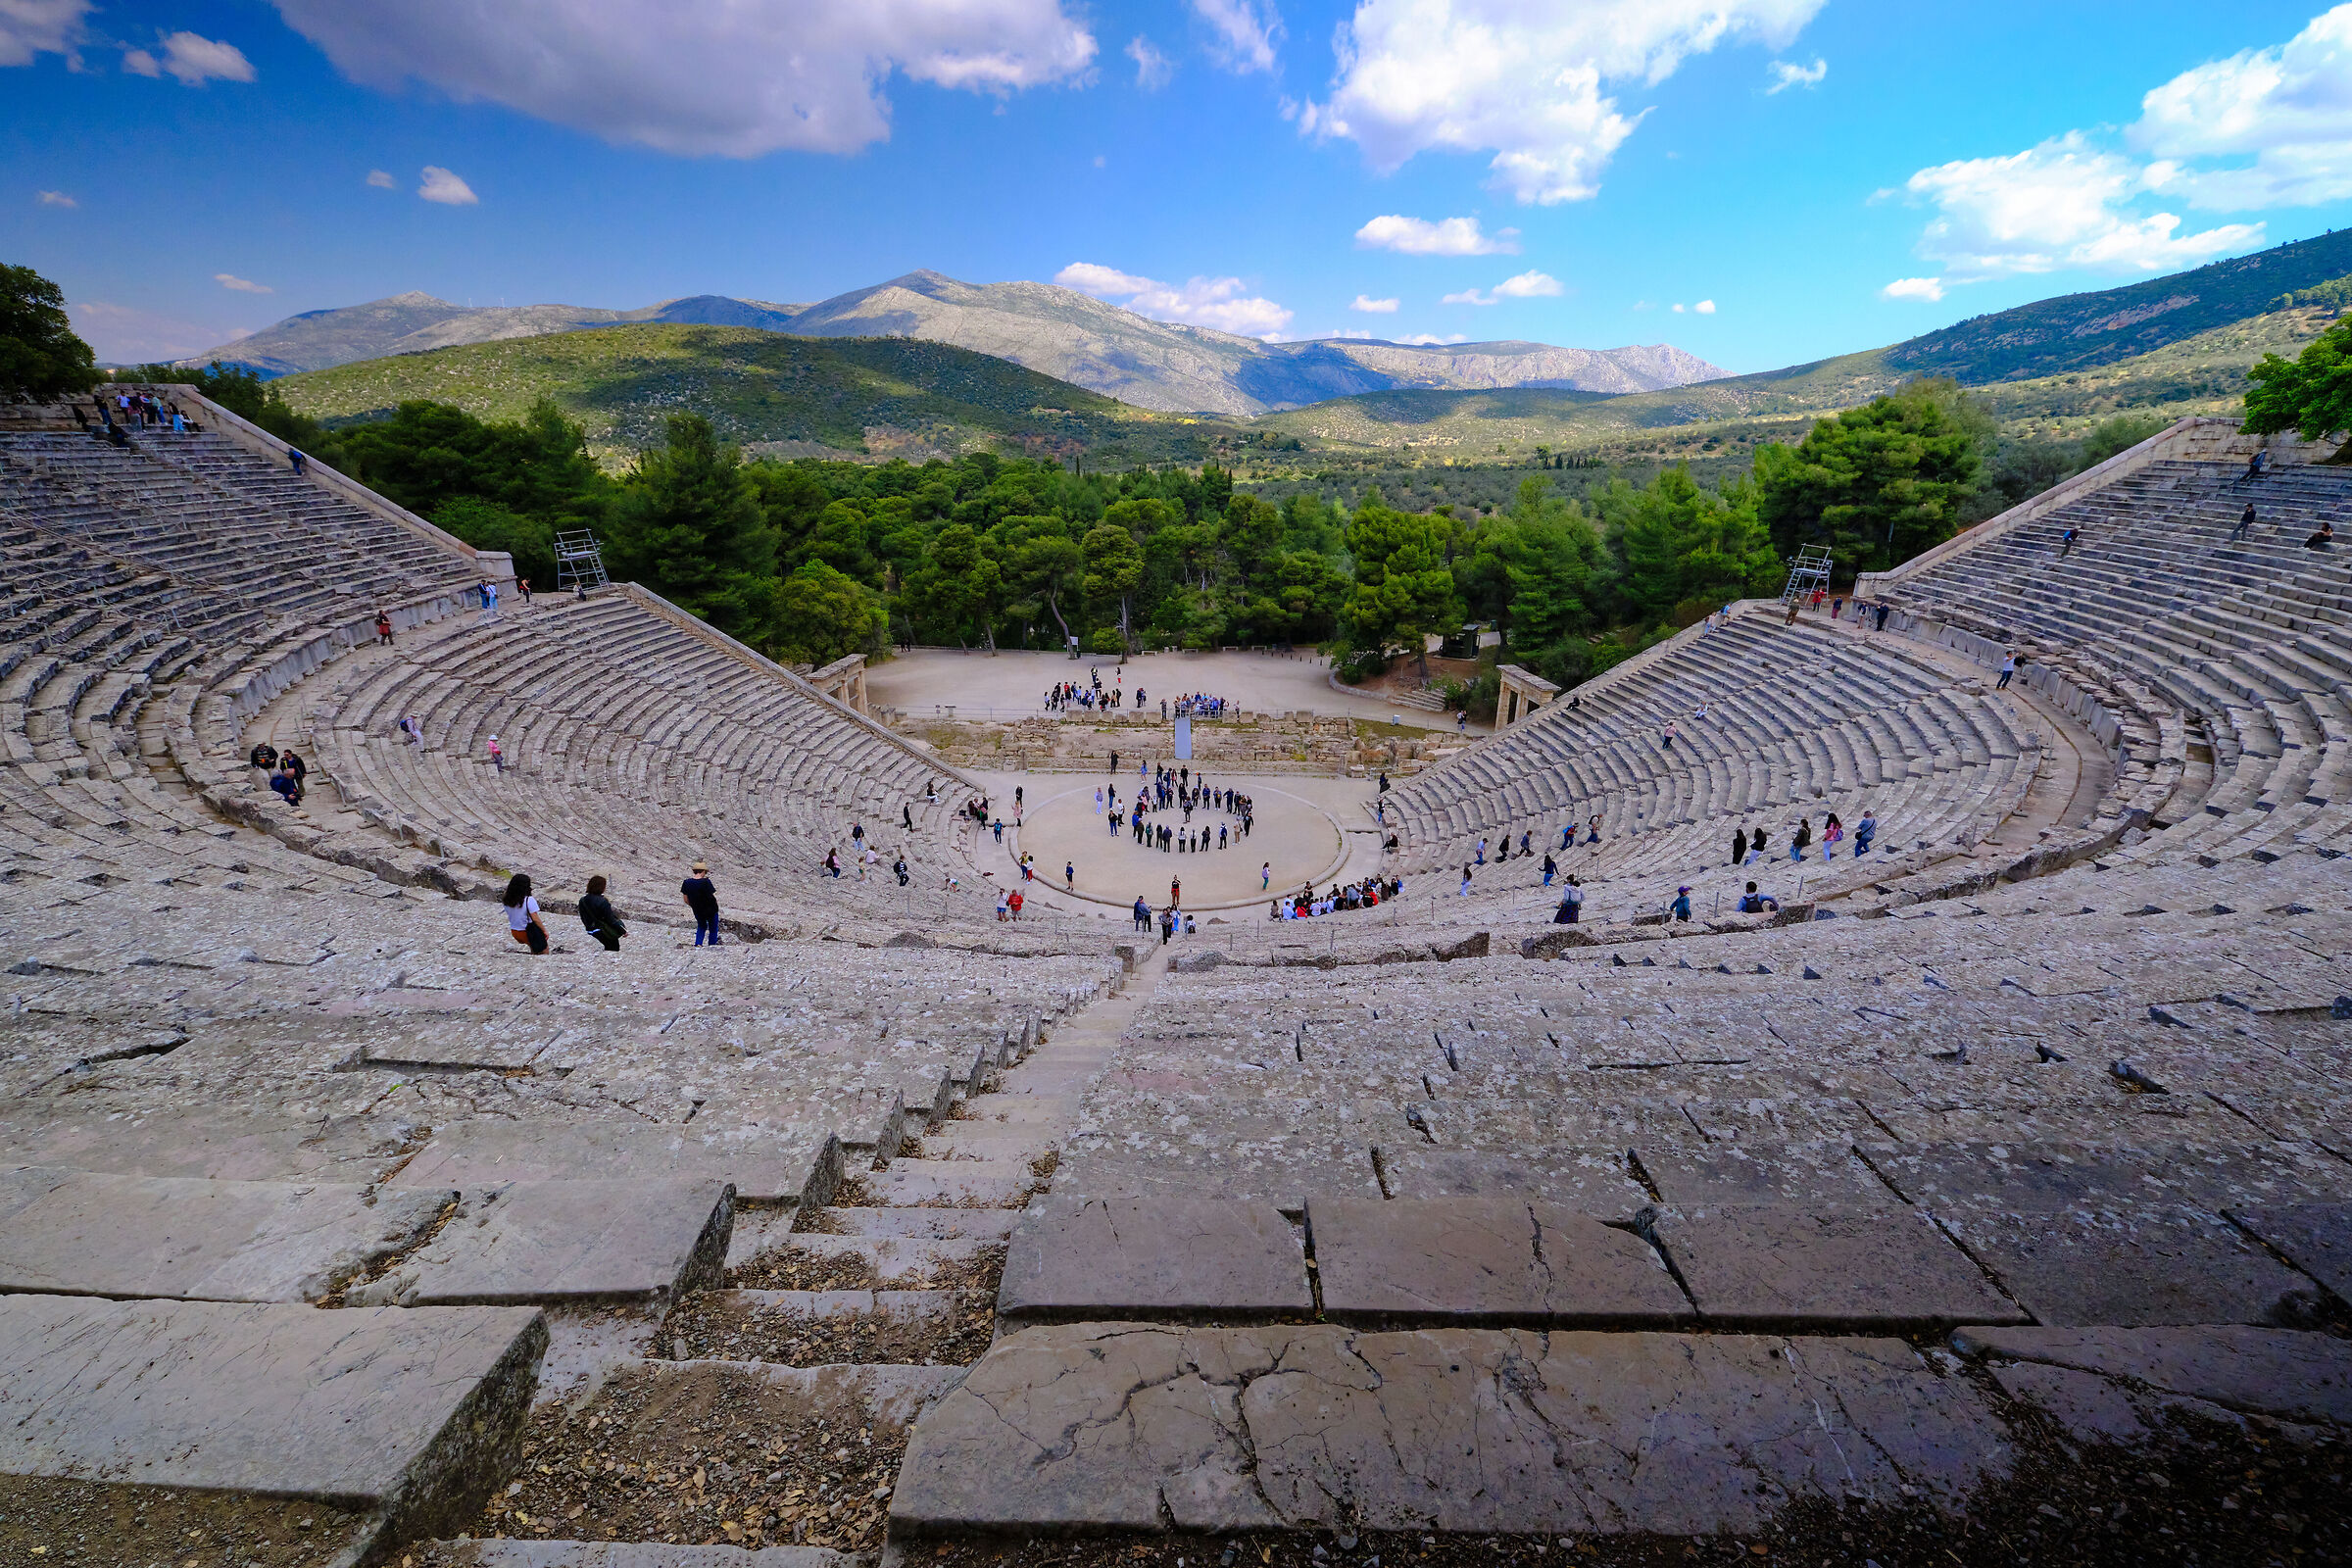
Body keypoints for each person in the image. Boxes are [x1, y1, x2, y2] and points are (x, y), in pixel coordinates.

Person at [503, 873, 549, 954]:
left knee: (533, 946)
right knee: (544, 949)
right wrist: (544, 930)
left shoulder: (507, 900)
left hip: (515, 931)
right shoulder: (529, 900)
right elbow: (535, 918)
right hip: (527, 931)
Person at [578, 875, 626, 951]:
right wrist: (623, 931)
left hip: (590, 929)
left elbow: (582, 916)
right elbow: (610, 920)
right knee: (613, 948)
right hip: (602, 930)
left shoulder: (582, 900)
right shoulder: (603, 902)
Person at [681, 862, 720, 946]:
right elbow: (711, 895)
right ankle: (712, 946)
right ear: (703, 871)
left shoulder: (686, 882)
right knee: (713, 929)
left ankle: (698, 944)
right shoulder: (706, 882)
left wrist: (694, 906)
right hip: (711, 909)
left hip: (697, 910)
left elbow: (685, 899)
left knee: (701, 927)